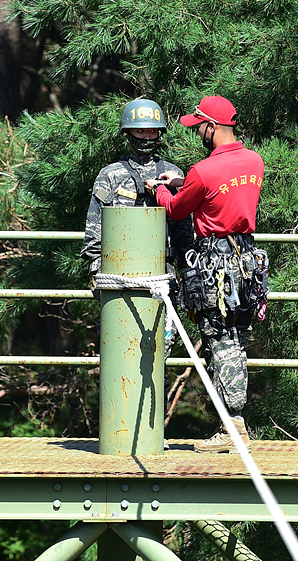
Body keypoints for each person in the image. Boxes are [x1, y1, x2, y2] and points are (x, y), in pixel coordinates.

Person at [146, 95, 269, 453]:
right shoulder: (254, 161)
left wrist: (161, 189)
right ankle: (230, 425)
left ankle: (234, 427)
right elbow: (220, 190)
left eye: (199, 126)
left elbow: (175, 208)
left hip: (216, 268)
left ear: (212, 127)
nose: (197, 132)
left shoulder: (204, 171)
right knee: (237, 341)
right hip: (247, 262)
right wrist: (185, 179)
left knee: (220, 340)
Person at [81, 99, 193, 282]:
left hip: (162, 273)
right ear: (128, 132)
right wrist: (100, 273)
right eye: (140, 131)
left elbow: (183, 232)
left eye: (152, 131)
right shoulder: (110, 175)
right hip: (117, 272)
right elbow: (94, 231)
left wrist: (187, 270)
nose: (147, 136)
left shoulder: (173, 175)